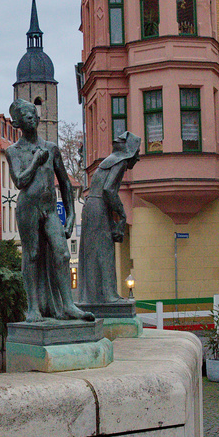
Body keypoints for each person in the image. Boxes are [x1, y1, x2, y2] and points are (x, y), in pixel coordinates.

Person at [6, 98, 94, 323]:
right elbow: (19, 181)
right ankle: (33, 307)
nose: (32, 117)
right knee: (32, 255)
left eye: (34, 113)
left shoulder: (51, 148)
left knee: (62, 253)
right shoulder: (13, 151)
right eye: (26, 115)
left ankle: (68, 305)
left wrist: (71, 214)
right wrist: (35, 161)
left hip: (49, 208)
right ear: (17, 123)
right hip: (28, 209)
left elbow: (65, 183)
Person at [79, 131, 141, 306]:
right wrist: (121, 214)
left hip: (91, 206)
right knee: (105, 251)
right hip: (99, 207)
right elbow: (108, 190)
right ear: (130, 152)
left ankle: (91, 297)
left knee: (92, 253)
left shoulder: (109, 161)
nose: (138, 158)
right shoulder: (120, 162)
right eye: (137, 152)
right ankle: (108, 296)